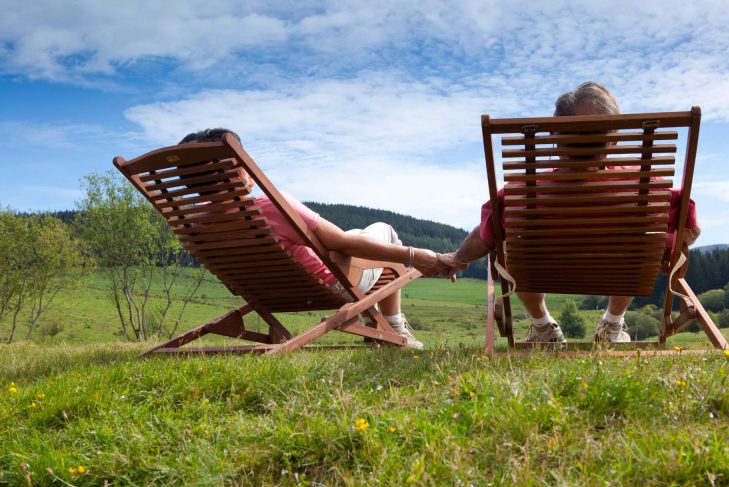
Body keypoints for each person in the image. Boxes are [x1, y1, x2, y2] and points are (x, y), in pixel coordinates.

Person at [439, 82, 701, 344]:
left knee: (510, 249)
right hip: (621, 271)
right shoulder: (649, 189)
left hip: (545, 270)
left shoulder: (519, 194)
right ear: (614, 138)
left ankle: (544, 329)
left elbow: (483, 239)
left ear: (553, 134)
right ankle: (612, 327)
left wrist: (459, 259)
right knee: (640, 243)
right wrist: (668, 246)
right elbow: (690, 231)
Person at [179, 128, 450, 349]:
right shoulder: (271, 206)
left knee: (359, 234)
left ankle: (384, 327)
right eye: (241, 160)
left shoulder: (194, 222)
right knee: (386, 231)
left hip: (267, 291)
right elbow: (341, 244)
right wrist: (415, 256)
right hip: (334, 284)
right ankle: (394, 329)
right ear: (228, 170)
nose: (249, 166)